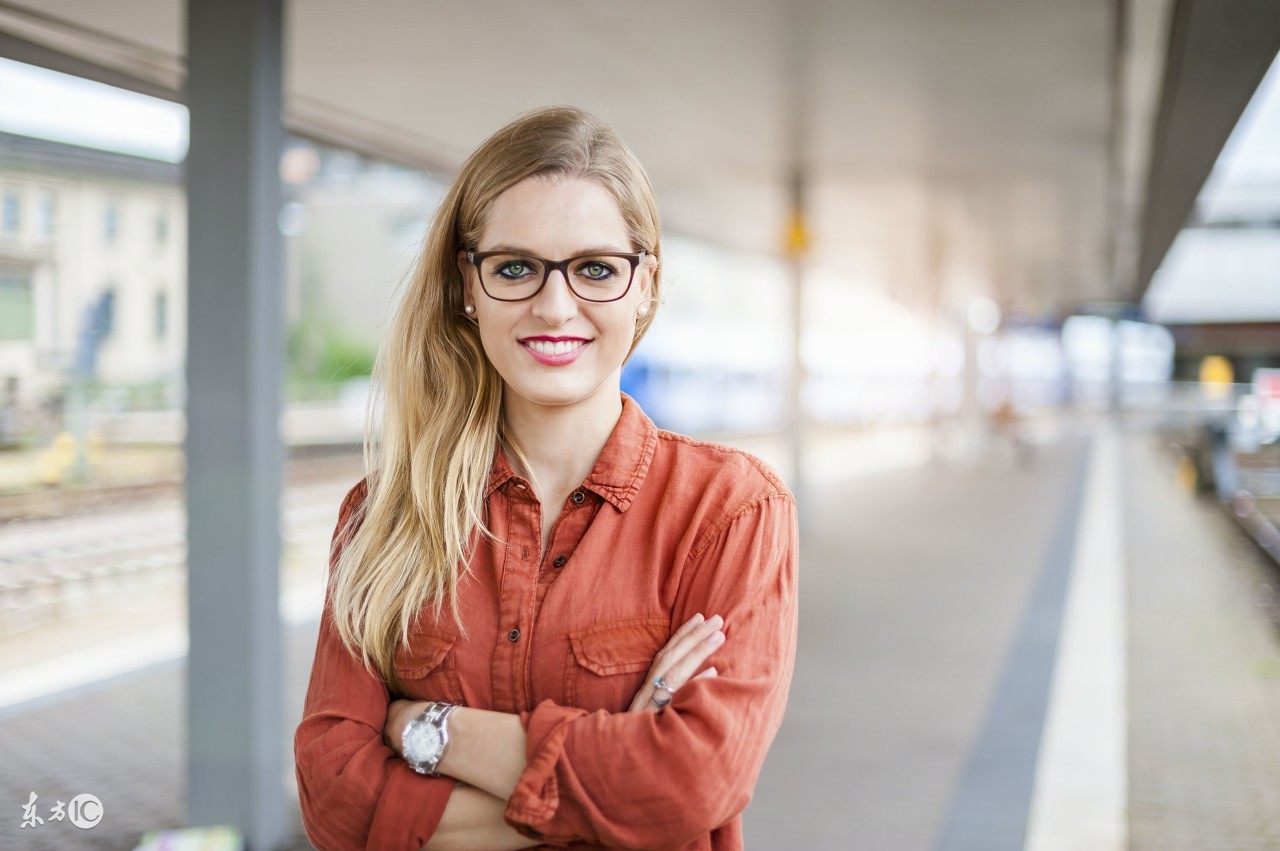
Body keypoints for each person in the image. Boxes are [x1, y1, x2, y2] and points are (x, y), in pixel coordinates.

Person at [294, 106, 798, 851]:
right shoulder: (381, 517)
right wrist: (614, 773)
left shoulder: (730, 510)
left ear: (644, 285)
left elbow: (693, 784)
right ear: (469, 282)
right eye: (515, 267)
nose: (554, 305)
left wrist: (427, 731)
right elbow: (334, 800)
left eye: (595, 268)